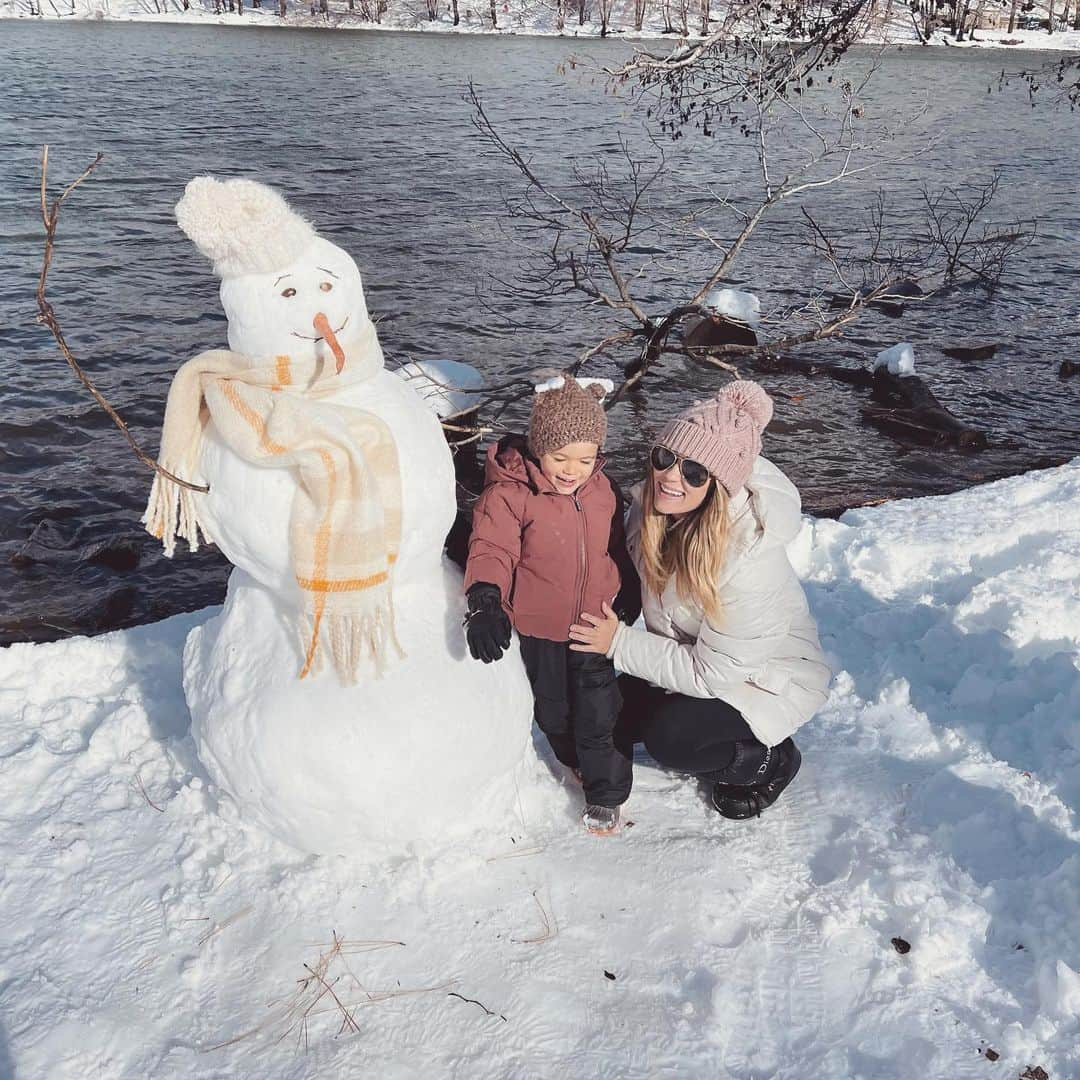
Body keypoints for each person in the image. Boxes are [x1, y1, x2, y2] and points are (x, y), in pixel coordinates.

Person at [568, 380, 831, 819]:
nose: (671, 476)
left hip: (760, 681)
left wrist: (618, 643)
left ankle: (771, 762)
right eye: (665, 458)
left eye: (694, 472)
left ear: (719, 485)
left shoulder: (749, 562)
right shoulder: (652, 510)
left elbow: (712, 675)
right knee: (603, 705)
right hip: (695, 657)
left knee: (671, 738)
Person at [463, 375, 640, 836]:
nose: (572, 470)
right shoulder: (510, 495)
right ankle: (571, 758)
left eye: (585, 459)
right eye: (560, 457)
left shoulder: (603, 490)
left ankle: (606, 794)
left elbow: (614, 546)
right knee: (555, 712)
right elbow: (492, 550)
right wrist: (486, 599)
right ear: (538, 448)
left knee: (599, 712)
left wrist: (630, 586)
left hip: (593, 624)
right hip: (540, 628)